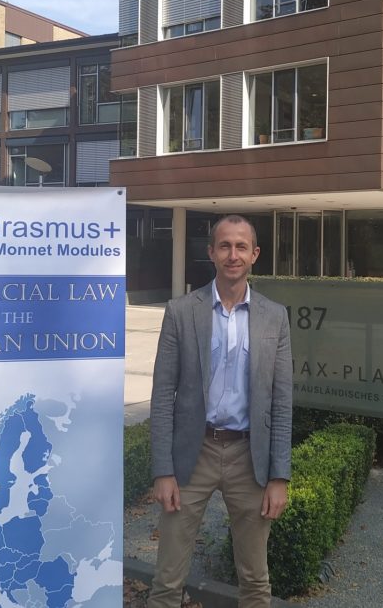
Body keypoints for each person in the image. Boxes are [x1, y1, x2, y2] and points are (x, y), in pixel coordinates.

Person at [147, 214, 293, 608]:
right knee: (167, 580)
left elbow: (281, 402)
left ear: (254, 254)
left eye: (241, 246)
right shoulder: (181, 311)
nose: (233, 255)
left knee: (255, 582)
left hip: (249, 457)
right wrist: (163, 470)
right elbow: (162, 395)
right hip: (193, 455)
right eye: (225, 246)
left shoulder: (274, 317)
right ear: (211, 252)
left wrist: (279, 476)